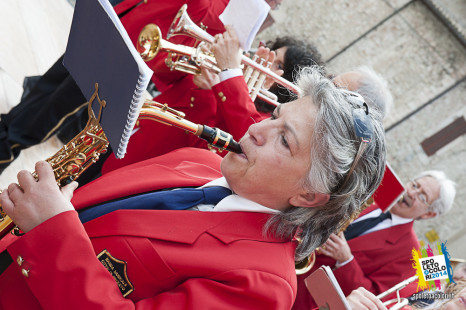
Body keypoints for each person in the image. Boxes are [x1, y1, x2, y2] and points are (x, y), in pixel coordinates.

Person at [0, 66, 386, 309]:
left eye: (285, 140)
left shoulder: (265, 287)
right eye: (274, 115)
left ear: (307, 196)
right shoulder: (202, 161)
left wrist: (51, 230)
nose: (255, 128)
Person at [293, 170, 456, 309]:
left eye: (422, 196)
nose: (411, 193)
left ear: (428, 214)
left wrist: (345, 260)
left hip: (306, 295)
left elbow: (375, 297)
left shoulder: (410, 253)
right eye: (415, 185)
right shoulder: (377, 195)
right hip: (290, 254)